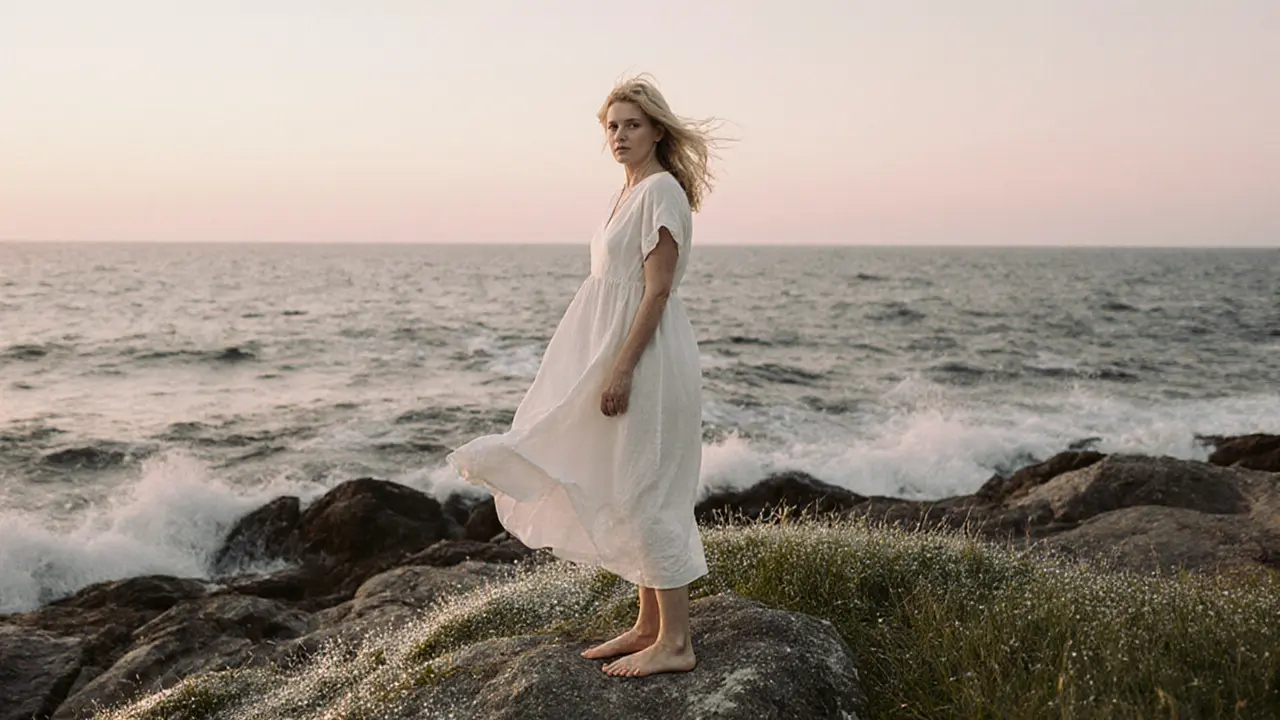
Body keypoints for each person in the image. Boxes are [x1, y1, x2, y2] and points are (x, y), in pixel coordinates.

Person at [446, 74, 720, 677]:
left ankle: (677, 642)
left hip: (647, 359)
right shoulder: (626, 194)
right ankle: (648, 625)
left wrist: (621, 368)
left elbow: (656, 292)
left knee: (650, 492)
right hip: (613, 352)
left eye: (632, 125)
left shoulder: (662, 191)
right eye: (612, 126)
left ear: (657, 130)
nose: (620, 135)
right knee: (625, 487)